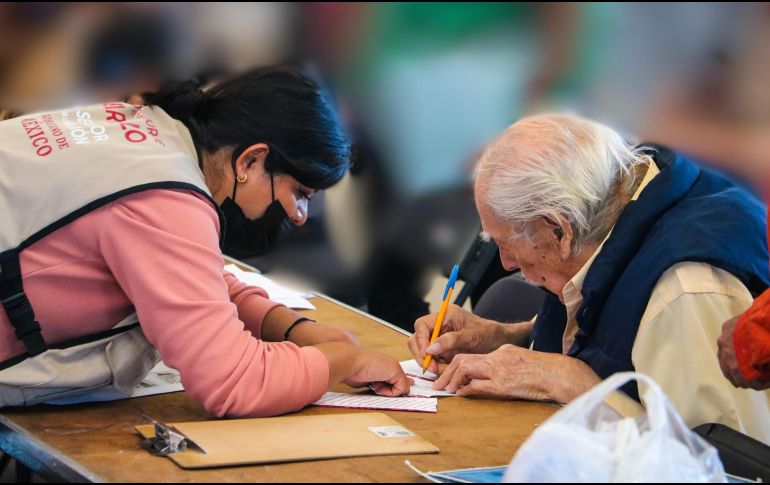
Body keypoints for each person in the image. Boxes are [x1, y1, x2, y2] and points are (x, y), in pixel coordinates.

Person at [0, 66, 410, 417]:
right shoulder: (164, 195)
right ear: (251, 160)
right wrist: (343, 361)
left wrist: (290, 328)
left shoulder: (139, 129)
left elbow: (187, 277)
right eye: (300, 192)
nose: (299, 215)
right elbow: (233, 383)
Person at [407, 114, 770, 443]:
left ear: (559, 231)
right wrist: (504, 336)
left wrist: (567, 380)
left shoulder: (684, 291)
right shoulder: (608, 209)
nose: (505, 263)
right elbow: (616, 322)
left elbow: (719, 459)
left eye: (507, 244)